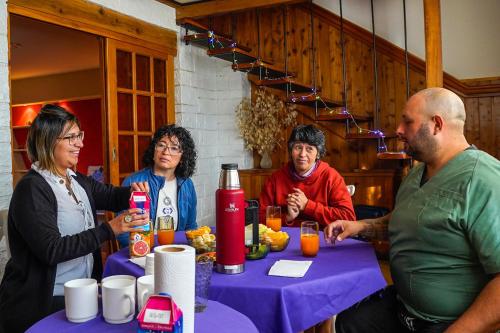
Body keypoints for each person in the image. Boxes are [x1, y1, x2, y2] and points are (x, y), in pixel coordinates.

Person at [325, 88, 500, 333]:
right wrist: (363, 226)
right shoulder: (417, 172)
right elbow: (407, 219)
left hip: (451, 323)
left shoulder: (484, 180)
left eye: (407, 121)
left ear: (437, 124)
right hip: (402, 307)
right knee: (347, 322)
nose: (397, 130)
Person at [0, 104, 149, 333]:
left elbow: (109, 195)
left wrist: (134, 192)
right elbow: (52, 250)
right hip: (45, 302)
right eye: (71, 137)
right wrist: (109, 229)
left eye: (79, 135)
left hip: (82, 292)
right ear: (49, 142)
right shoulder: (32, 189)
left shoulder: (75, 178)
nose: (80, 143)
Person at [259, 124, 355, 228]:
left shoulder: (331, 177)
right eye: (298, 147)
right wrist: (287, 217)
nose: (302, 154)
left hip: (324, 239)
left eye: (309, 149)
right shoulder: (275, 179)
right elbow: (260, 217)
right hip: (284, 239)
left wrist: (307, 205)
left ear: (318, 154)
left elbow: (348, 217)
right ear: (291, 151)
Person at [117, 124, 198, 247]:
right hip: (142, 250)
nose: (166, 152)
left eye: (174, 148)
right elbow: (122, 231)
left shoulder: (187, 184)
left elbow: (190, 227)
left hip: (176, 250)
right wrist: (142, 248)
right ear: (153, 151)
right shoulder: (134, 181)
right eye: (161, 145)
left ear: (183, 157)